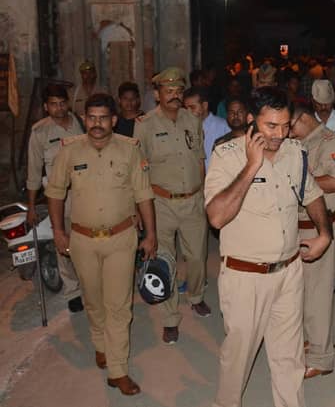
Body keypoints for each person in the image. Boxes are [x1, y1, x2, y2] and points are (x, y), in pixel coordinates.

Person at [205, 86, 331, 407]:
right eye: (270, 126)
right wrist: (251, 166)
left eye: (285, 126)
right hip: (246, 276)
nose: (279, 134)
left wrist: (324, 233)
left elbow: (312, 193)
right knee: (238, 356)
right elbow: (216, 217)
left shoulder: (295, 152)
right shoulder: (227, 155)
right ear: (251, 120)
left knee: (290, 357)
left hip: (289, 271)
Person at [46, 93, 157, 396]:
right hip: (82, 240)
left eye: (103, 118)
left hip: (121, 238)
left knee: (118, 306)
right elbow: (55, 192)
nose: (97, 123)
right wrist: (58, 231)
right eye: (91, 118)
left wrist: (150, 234)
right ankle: (100, 343)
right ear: (84, 119)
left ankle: (118, 370)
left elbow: (143, 194)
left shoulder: (130, 149)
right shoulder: (69, 151)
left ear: (113, 120)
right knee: (93, 300)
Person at [133, 67, 210, 344]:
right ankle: (170, 318)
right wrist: (138, 209)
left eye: (179, 91)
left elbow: (199, 160)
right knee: (164, 261)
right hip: (161, 203)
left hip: (193, 200)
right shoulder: (144, 125)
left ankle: (196, 296)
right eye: (169, 91)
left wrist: (204, 194)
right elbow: (138, 170)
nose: (175, 95)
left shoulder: (193, 119)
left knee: (197, 256)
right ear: (157, 95)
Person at [288, 103, 335, 379]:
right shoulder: (302, 141)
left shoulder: (330, 142)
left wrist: (299, 178)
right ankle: (312, 341)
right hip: (299, 227)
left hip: (318, 228)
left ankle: (321, 358)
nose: (288, 133)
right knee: (302, 292)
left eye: (290, 126)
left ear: (302, 118)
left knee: (318, 296)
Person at [26, 84, 85, 313]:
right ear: (45, 106)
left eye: (62, 103)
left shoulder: (81, 123)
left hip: (86, 194)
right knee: (64, 243)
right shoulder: (39, 132)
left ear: (67, 103)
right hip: (59, 199)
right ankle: (73, 291)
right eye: (53, 104)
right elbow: (33, 172)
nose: (59, 108)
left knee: (89, 242)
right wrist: (32, 207)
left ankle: (91, 283)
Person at [183, 86, 231, 170]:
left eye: (192, 107)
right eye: (186, 108)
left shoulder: (223, 126)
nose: (188, 112)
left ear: (205, 105)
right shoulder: (184, 127)